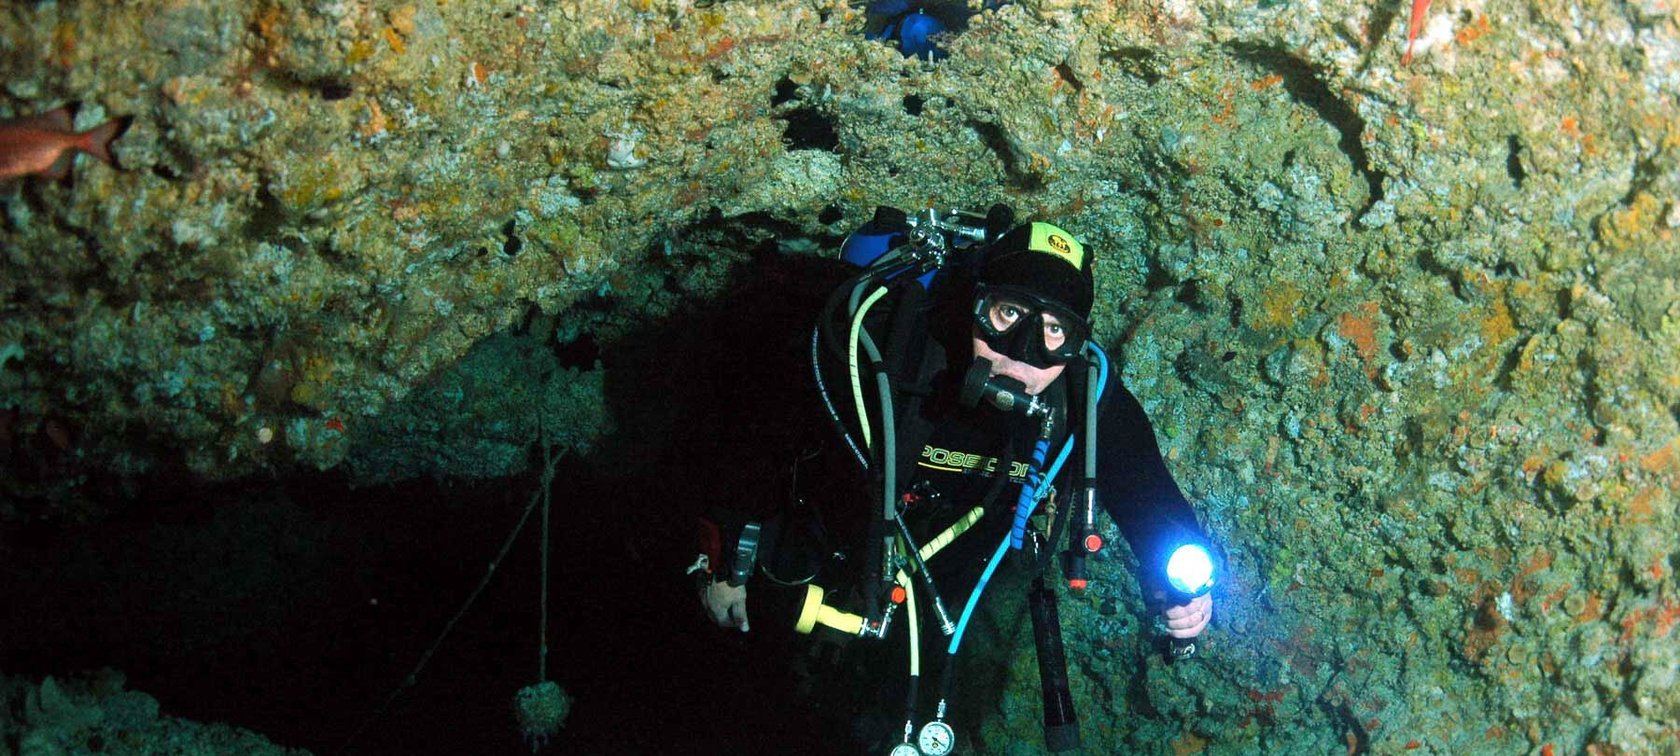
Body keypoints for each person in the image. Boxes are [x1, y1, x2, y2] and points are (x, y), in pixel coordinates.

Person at [690, 206, 1217, 750]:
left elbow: (1145, 486)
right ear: (975, 304)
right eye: (1009, 314)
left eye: (1055, 329)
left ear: (1078, 345)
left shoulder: (1083, 398)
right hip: (824, 534)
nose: (1025, 353)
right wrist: (727, 549)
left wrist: (1181, 581)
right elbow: (756, 411)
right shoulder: (893, 345)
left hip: (942, 584)